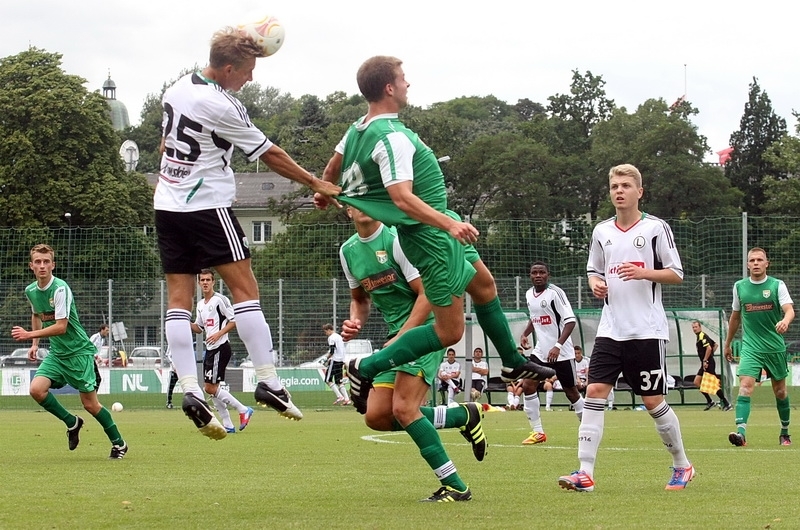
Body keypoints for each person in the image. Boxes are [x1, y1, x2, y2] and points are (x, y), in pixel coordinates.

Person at [314, 56, 554, 414]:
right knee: (449, 332)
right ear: (389, 88)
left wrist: (324, 188)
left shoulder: (358, 129)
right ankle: (365, 367)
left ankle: (511, 361)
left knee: (485, 286)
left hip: (440, 225)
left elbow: (334, 164)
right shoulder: (390, 137)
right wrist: (449, 225)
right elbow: (402, 198)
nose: (408, 84)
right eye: (403, 78)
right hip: (431, 236)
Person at [156, 26, 340, 439]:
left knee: (178, 299)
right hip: (207, 206)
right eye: (247, 71)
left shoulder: (176, 87)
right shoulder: (222, 105)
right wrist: (316, 183)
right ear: (226, 68)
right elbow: (270, 153)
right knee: (245, 291)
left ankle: (190, 389)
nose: (250, 78)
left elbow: (165, 145)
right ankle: (269, 380)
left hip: (167, 205)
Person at [558, 164, 694, 492]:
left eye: (625, 186)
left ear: (639, 192)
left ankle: (682, 464)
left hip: (646, 330)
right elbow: (593, 269)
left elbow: (676, 273)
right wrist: (595, 283)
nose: (619, 191)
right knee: (594, 392)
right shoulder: (601, 231)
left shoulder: (655, 228)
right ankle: (585, 473)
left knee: (653, 402)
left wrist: (644, 272)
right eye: (614, 186)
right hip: (610, 328)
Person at [339, 205, 485, 502]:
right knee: (377, 416)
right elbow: (360, 299)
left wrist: (403, 337)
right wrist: (355, 321)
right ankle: (461, 414)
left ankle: (456, 485)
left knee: (404, 409)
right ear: (346, 211)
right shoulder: (348, 251)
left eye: (366, 198)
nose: (360, 205)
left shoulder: (396, 240)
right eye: (352, 199)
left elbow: (427, 294)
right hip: (395, 339)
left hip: (423, 332)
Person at [11, 244, 128, 459]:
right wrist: (35, 345)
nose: (42, 266)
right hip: (57, 354)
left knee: (90, 405)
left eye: (46, 262)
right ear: (31, 266)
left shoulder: (60, 288)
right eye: (38, 262)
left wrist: (29, 335)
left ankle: (119, 443)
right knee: (36, 390)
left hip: (79, 353)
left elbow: (61, 326)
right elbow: (36, 315)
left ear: (53, 265)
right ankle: (72, 423)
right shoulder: (31, 291)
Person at [723, 247, 794, 447]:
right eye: (752, 260)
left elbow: (789, 310)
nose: (755, 263)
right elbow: (735, 317)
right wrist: (727, 344)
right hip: (751, 347)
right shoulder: (739, 287)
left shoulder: (776, 285)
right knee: (745, 387)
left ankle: (785, 432)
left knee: (780, 392)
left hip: (774, 347)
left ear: (766, 263)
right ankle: (741, 434)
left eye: (759, 260)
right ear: (747, 264)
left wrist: (785, 321)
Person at [519, 261, 584, 445]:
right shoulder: (529, 295)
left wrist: (557, 345)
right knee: (527, 384)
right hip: (541, 351)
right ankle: (538, 432)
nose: (538, 275)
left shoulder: (555, 293)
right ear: (530, 275)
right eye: (534, 272)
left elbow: (570, 321)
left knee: (571, 392)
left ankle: (588, 427)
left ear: (548, 275)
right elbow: (535, 317)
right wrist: (525, 333)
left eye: (542, 272)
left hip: (562, 352)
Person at [190, 269, 253, 433]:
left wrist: (219, 333)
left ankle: (243, 409)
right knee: (211, 388)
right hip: (210, 349)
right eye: (202, 280)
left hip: (221, 347)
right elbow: (199, 328)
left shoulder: (219, 300)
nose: (205, 282)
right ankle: (228, 425)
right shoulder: (200, 305)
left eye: (208, 280)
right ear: (198, 283)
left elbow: (234, 320)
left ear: (213, 282)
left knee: (210, 388)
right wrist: (182, 322)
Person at [691, 321, 731, 411]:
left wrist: (706, 359)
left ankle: (726, 403)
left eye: (696, 327)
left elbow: (709, 348)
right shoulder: (699, 336)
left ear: (700, 327)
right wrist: (710, 355)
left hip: (708, 363)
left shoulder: (702, 335)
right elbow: (715, 345)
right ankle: (710, 401)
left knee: (712, 383)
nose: (694, 329)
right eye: (693, 327)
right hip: (705, 363)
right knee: (697, 382)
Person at [322, 324, 350, 405]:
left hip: (334, 360)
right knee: (338, 381)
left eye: (325, 332)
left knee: (327, 380)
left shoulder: (331, 338)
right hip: (341, 361)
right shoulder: (339, 336)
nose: (325, 333)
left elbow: (332, 351)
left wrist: (325, 358)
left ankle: (339, 396)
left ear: (329, 330)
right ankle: (347, 399)